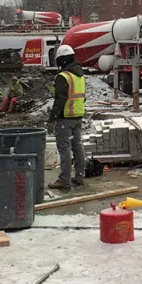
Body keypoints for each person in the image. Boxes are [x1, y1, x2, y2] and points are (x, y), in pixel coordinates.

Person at [47, 44, 85, 191]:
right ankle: (80, 176)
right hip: (77, 116)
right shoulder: (79, 75)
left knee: (64, 149)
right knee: (77, 147)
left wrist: (52, 118)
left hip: (65, 117)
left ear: (61, 60)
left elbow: (60, 100)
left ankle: (64, 180)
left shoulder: (64, 77)